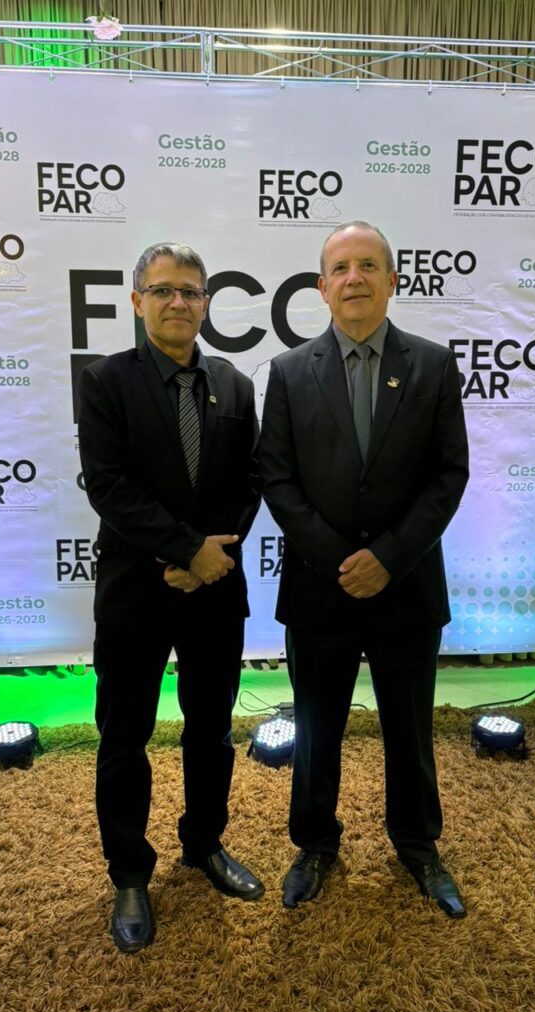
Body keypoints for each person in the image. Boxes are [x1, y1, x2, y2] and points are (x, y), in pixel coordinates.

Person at [259, 221, 470, 918]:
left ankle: (417, 844)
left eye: (369, 265)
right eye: (341, 268)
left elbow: (449, 476)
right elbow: (277, 479)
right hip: (319, 589)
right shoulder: (288, 372)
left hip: (406, 587)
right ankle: (315, 844)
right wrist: (340, 561)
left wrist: (388, 559)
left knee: (409, 729)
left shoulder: (433, 366)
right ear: (322, 288)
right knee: (316, 729)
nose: (355, 278)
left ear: (392, 280)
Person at [78, 242, 264, 954]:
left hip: (214, 590)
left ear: (206, 304)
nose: (177, 302)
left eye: (190, 291)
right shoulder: (105, 381)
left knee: (211, 730)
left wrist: (211, 562)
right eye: (162, 290)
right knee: (124, 737)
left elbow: (251, 483)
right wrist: (189, 551)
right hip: (138, 592)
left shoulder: (234, 385)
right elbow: (110, 487)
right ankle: (130, 874)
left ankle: (204, 845)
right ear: (137, 301)